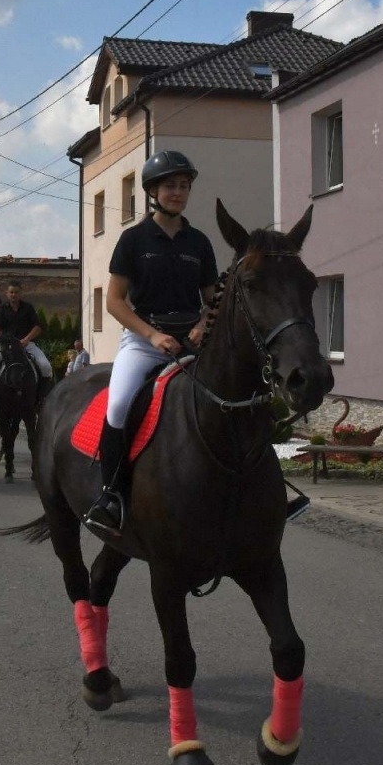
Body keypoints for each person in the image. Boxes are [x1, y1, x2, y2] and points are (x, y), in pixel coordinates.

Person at [83, 151, 217, 538]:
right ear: (153, 191)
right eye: (171, 186)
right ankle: (110, 496)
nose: (178, 193)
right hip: (145, 341)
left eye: (184, 186)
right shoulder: (133, 239)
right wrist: (152, 335)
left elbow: (213, 300)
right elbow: (113, 302)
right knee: (121, 404)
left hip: (191, 341)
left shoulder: (199, 242)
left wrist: (204, 324)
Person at [0, 282, 55, 404]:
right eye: (11, 292)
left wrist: (26, 339)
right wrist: (5, 341)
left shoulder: (28, 308)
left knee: (46, 367)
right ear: (7, 294)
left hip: (27, 344)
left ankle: (41, 398)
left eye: (16, 292)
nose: (14, 294)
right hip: (8, 346)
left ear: (21, 294)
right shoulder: (2, 309)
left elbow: (37, 327)